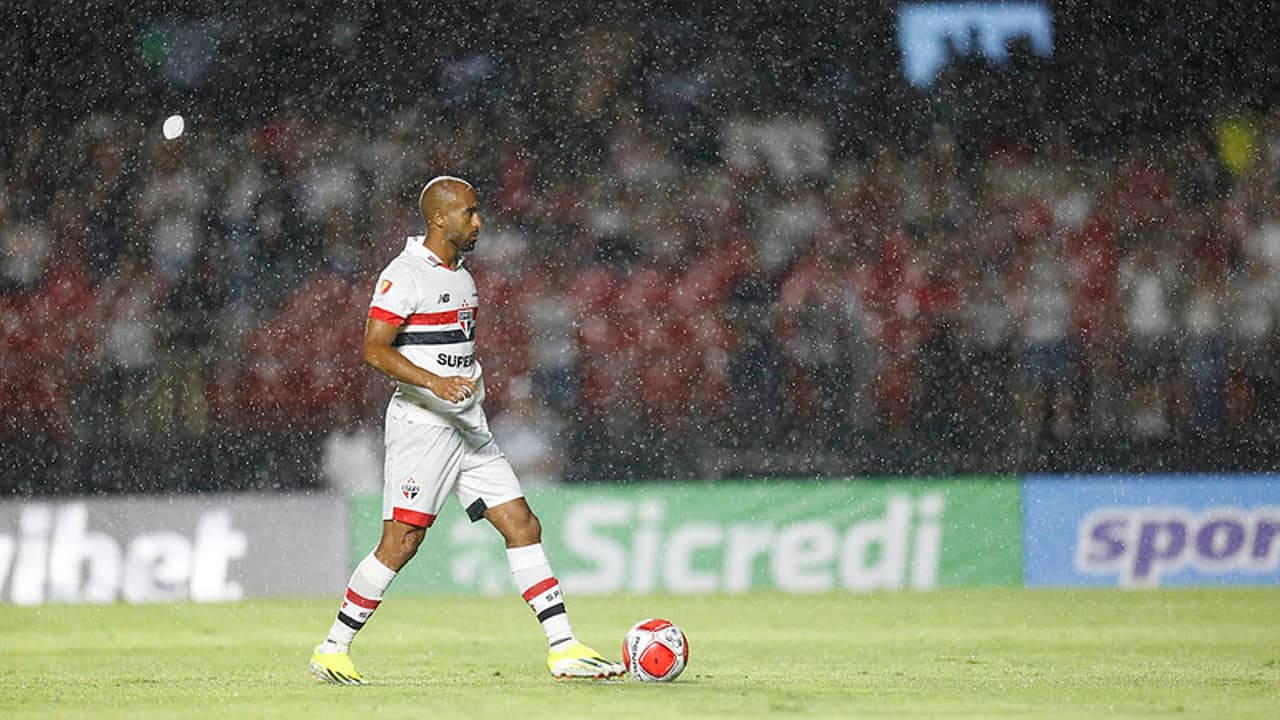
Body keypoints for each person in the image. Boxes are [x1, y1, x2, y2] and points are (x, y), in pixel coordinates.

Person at [309, 176, 624, 684]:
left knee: (523, 524)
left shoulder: (463, 276)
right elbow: (374, 349)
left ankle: (564, 648)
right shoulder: (404, 273)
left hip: (469, 427)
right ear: (439, 218)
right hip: (423, 426)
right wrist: (435, 381)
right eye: (469, 214)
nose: (478, 222)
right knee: (401, 542)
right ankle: (332, 648)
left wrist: (467, 385)